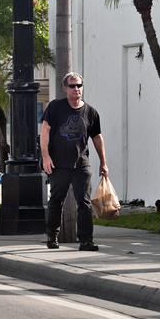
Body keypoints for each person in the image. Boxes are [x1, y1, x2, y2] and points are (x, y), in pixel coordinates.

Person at [40, 72, 108, 250]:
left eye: (79, 86)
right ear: (65, 88)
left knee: (84, 203)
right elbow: (45, 131)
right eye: (72, 86)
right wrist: (45, 157)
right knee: (56, 201)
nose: (76, 89)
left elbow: (97, 137)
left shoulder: (90, 112)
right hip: (58, 164)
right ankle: (52, 236)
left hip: (81, 164)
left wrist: (103, 162)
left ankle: (86, 240)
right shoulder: (55, 107)